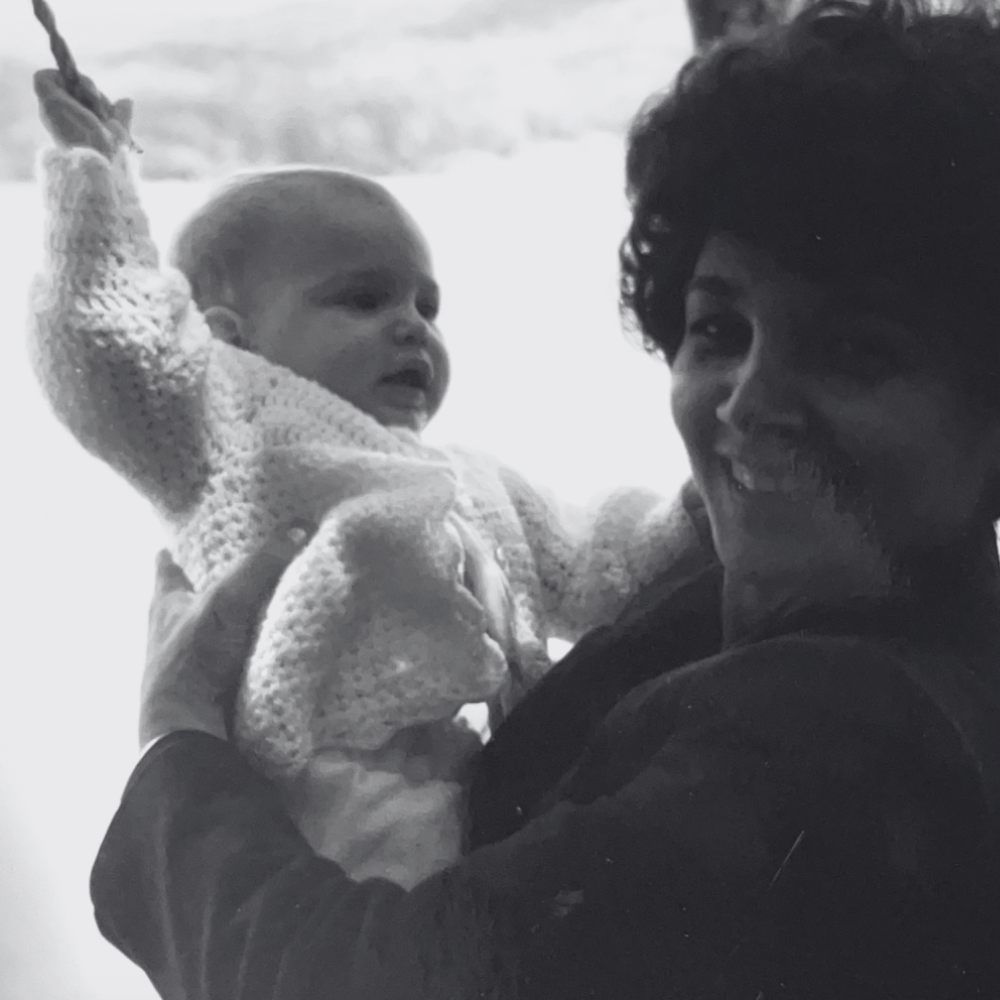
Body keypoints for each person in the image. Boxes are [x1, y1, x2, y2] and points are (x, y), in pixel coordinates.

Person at [89, 0, 1000, 995]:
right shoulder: (756, 605)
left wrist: (177, 744)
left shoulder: (843, 747)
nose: (750, 401)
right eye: (717, 328)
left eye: (856, 350)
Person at [29, 72, 706, 888]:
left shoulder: (472, 480)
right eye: (362, 298)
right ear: (228, 342)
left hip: (488, 773)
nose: (410, 326)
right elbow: (109, 350)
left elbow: (592, 557)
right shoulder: (225, 437)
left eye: (427, 305)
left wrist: (695, 515)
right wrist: (93, 178)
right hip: (329, 791)